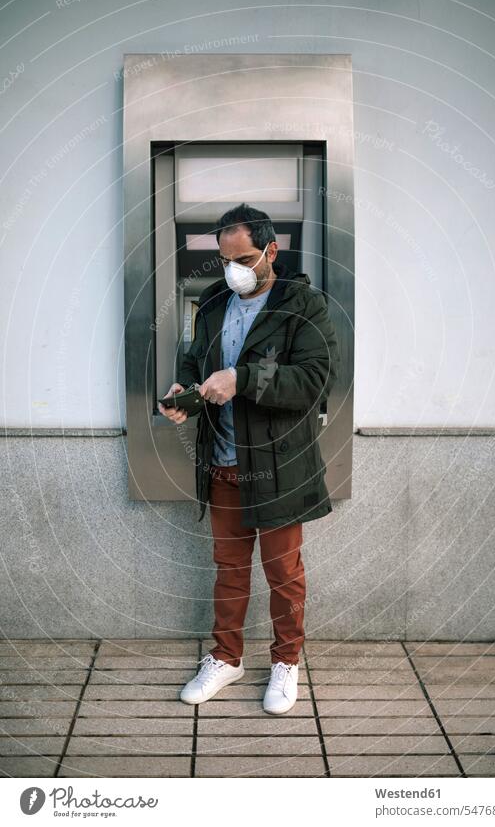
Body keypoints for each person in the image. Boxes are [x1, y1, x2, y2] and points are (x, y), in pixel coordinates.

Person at [159, 203, 340, 714]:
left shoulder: (304, 305)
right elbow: (195, 359)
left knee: (284, 573)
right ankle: (227, 656)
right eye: (224, 259)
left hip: (279, 465)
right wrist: (184, 389)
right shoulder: (215, 300)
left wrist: (245, 379)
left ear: (270, 252)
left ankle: (287, 661)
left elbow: (317, 379)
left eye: (242, 258)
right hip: (222, 462)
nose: (232, 269)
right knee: (229, 568)